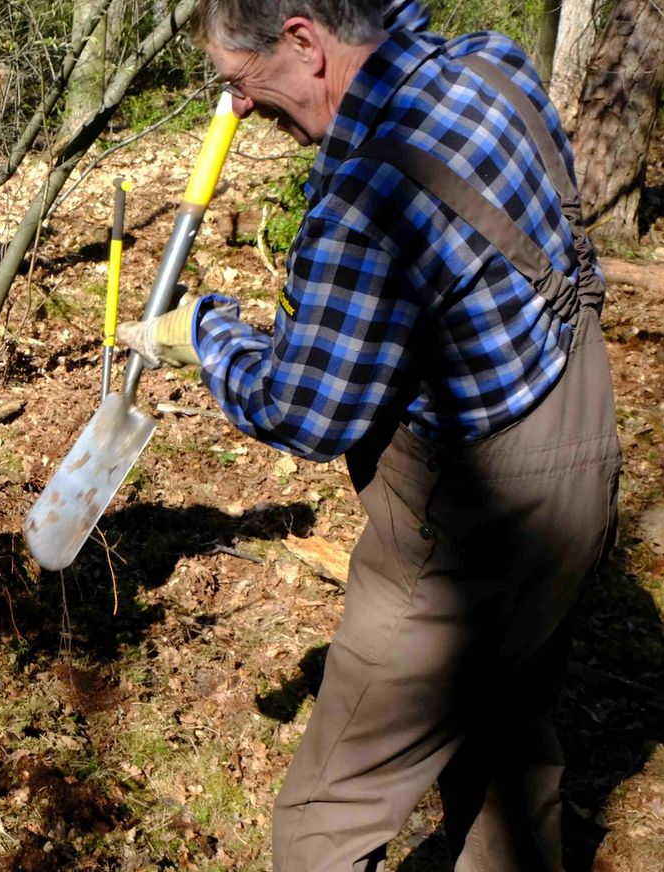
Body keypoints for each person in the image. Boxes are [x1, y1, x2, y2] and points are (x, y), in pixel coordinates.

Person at [118, 0, 621, 868]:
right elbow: (470, 283)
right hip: (583, 455)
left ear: (306, 41)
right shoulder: (493, 66)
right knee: (510, 750)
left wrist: (207, 334)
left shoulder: (364, 202)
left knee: (325, 818)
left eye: (239, 83)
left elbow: (305, 412)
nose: (237, 110)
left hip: (469, 530)